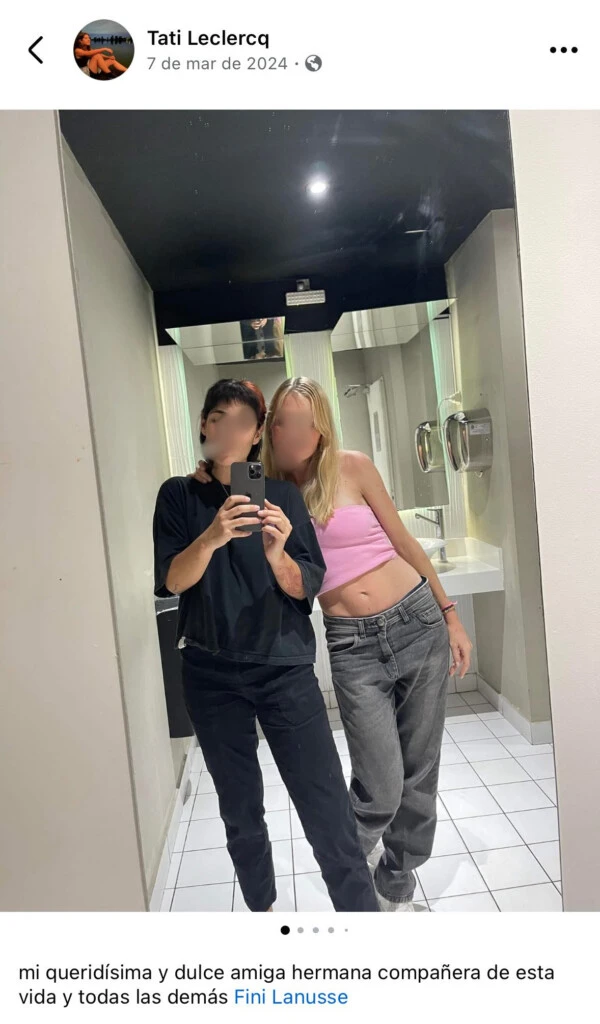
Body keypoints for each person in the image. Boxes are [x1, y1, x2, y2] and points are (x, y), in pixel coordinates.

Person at [193, 376, 473, 912]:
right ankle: (346, 862)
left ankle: (396, 878)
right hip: (351, 644)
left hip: (416, 620)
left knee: (420, 772)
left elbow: (403, 541)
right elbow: (219, 495)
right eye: (284, 421)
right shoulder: (264, 485)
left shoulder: (353, 467)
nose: (295, 432)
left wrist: (450, 614)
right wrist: (205, 472)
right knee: (381, 783)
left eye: (307, 422)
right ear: (269, 428)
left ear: (321, 427)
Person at [154, 378, 378, 913]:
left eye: (243, 422)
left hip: (285, 671)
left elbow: (307, 586)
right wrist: (212, 536)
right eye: (218, 418)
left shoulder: (283, 498)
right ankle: (263, 914)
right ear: (204, 425)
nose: (229, 430)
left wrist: (278, 554)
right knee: (240, 812)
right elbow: (172, 581)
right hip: (210, 675)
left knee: (326, 809)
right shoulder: (178, 495)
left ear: (257, 435)